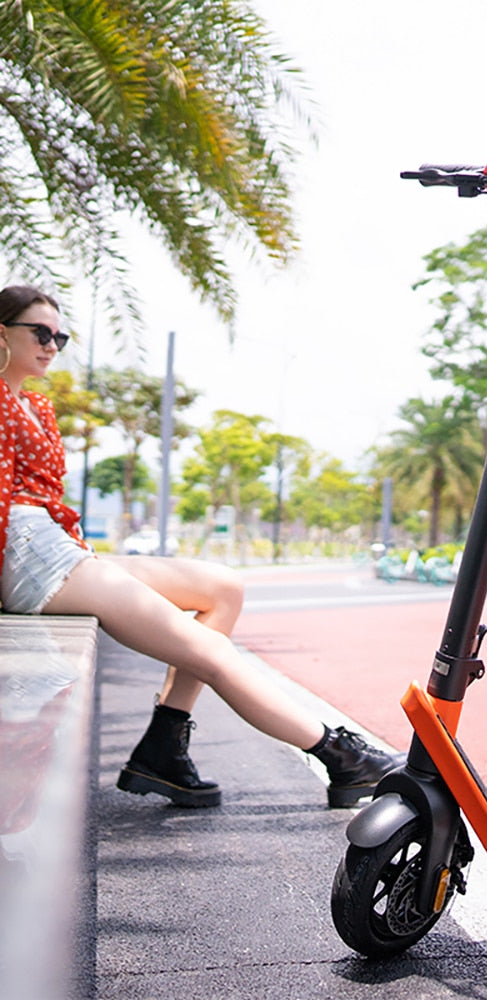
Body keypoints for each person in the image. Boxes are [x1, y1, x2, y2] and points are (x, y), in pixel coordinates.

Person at [0, 283, 402, 809]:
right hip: (28, 556)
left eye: (61, 335)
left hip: (55, 544)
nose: (53, 344)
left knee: (222, 587)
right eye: (41, 332)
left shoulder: (37, 407)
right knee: (209, 651)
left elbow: (50, 499)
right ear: (3, 332)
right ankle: (338, 755)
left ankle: (164, 745)